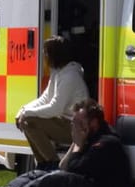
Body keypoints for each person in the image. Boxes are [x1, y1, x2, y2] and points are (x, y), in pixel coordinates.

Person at [0, 99, 129, 187]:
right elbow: (63, 166)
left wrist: (78, 145)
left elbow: (72, 170)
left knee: (56, 179)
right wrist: (75, 142)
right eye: (73, 122)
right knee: (38, 174)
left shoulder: (106, 143)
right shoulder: (88, 137)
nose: (73, 126)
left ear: (93, 123)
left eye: (77, 122)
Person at [14, 38, 89, 167]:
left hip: (76, 127)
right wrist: (23, 109)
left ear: (55, 55)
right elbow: (45, 98)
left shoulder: (70, 76)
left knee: (29, 121)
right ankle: (42, 164)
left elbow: (55, 108)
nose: (44, 57)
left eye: (46, 53)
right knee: (27, 120)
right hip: (64, 122)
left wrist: (26, 113)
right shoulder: (58, 72)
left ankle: (52, 164)